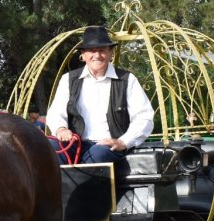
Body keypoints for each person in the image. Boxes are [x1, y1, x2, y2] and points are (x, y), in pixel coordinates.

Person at [46, 26, 154, 164]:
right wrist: (61, 129)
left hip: (109, 147)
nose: (97, 56)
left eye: (102, 50)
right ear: (83, 55)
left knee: (96, 155)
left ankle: (75, 185)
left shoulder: (127, 79)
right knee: (50, 147)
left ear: (110, 53)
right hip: (75, 144)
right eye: (92, 51)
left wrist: (123, 141)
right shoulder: (68, 79)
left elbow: (144, 118)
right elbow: (55, 112)